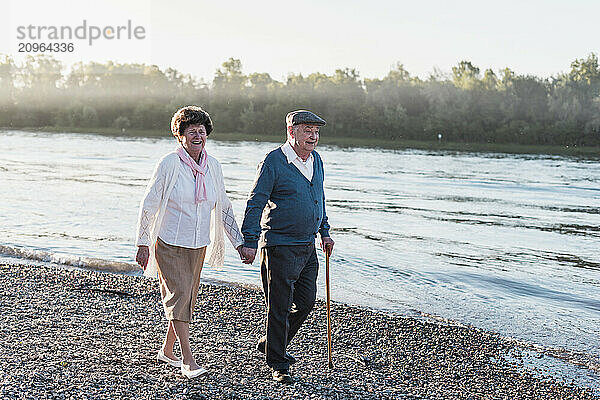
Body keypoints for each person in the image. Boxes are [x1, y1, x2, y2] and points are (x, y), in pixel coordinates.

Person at [135, 106, 244, 379]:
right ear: (180, 136)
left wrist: (240, 244)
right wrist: (142, 243)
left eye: (202, 130)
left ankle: (167, 351)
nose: (198, 135)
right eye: (191, 131)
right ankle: (188, 360)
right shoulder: (169, 164)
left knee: (186, 299)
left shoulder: (214, 167)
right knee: (180, 295)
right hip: (169, 242)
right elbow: (149, 204)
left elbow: (224, 207)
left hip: (198, 244)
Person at [240, 110, 335, 384]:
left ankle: (271, 342)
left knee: (305, 303)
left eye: (316, 131)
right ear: (291, 132)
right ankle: (279, 363)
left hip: (307, 246)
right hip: (279, 245)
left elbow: (319, 199)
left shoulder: (316, 160)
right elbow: (256, 201)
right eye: (307, 130)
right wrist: (249, 240)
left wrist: (324, 231)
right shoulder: (273, 161)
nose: (313, 136)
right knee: (279, 307)